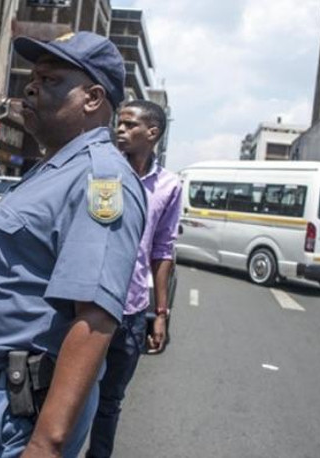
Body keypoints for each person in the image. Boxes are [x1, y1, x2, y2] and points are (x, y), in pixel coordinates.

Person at [0, 32, 147, 457]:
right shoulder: (56, 167)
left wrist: (44, 444)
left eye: (50, 80)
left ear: (92, 99)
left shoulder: (101, 178)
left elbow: (95, 318)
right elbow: (31, 261)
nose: (31, 88)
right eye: (32, 78)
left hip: (16, 413)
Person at [85, 100, 182, 457]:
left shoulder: (169, 186)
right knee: (68, 393)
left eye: (129, 125)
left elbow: (163, 251)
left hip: (132, 311)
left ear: (152, 133)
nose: (120, 130)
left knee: (110, 401)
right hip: (89, 304)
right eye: (119, 123)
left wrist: (160, 314)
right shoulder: (102, 171)